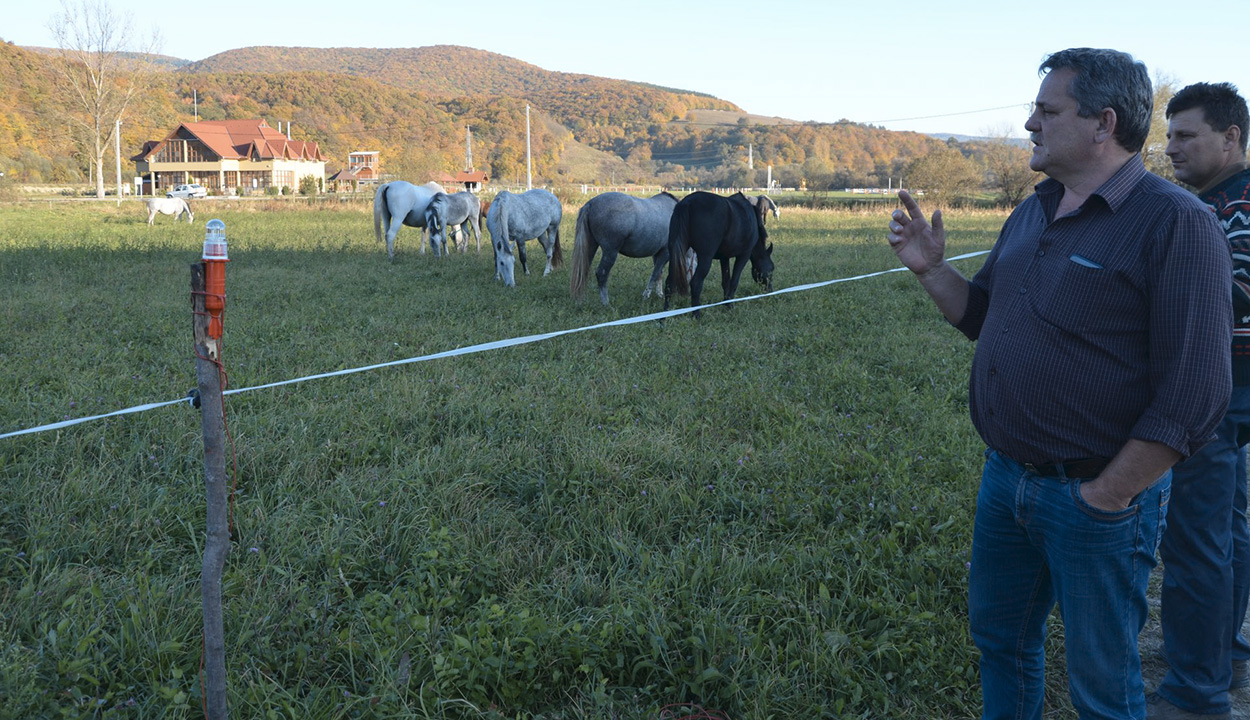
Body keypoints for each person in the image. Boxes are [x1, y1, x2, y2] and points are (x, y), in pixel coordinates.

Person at [885, 48, 1233, 719]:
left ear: (1103, 123)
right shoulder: (1036, 208)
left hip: (1097, 497)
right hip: (1006, 481)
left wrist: (1107, 494)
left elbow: (1195, 393)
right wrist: (931, 270)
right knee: (1002, 645)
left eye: (1047, 111)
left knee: (1102, 684)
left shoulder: (1177, 223)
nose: (1029, 125)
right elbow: (984, 316)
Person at [1150, 81, 1250, 720]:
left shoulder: (1233, 207)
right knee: (1229, 525)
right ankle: (1224, 652)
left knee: (1194, 540)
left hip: (1219, 388)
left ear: (1231, 137)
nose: (1170, 149)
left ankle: (1196, 690)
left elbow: (1234, 292)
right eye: (1169, 135)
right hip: (1235, 388)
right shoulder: (1219, 200)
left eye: (1186, 135)